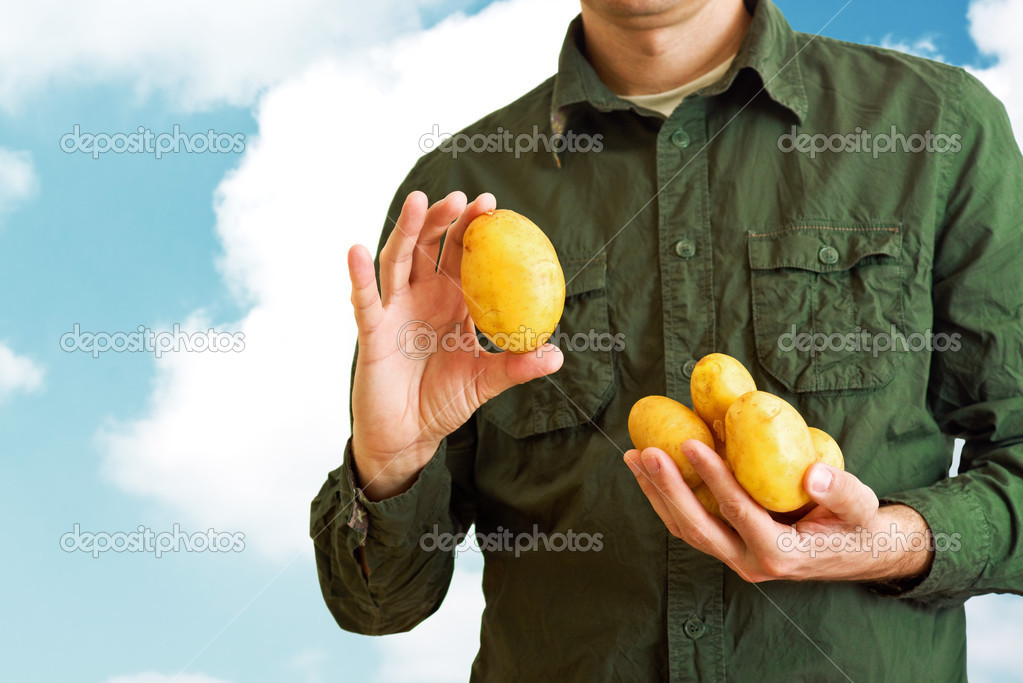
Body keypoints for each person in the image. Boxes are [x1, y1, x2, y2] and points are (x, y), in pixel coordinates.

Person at [311, 0, 1023, 679]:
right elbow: (379, 603)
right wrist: (390, 465)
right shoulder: (458, 198)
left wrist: (890, 542)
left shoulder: (938, 127)